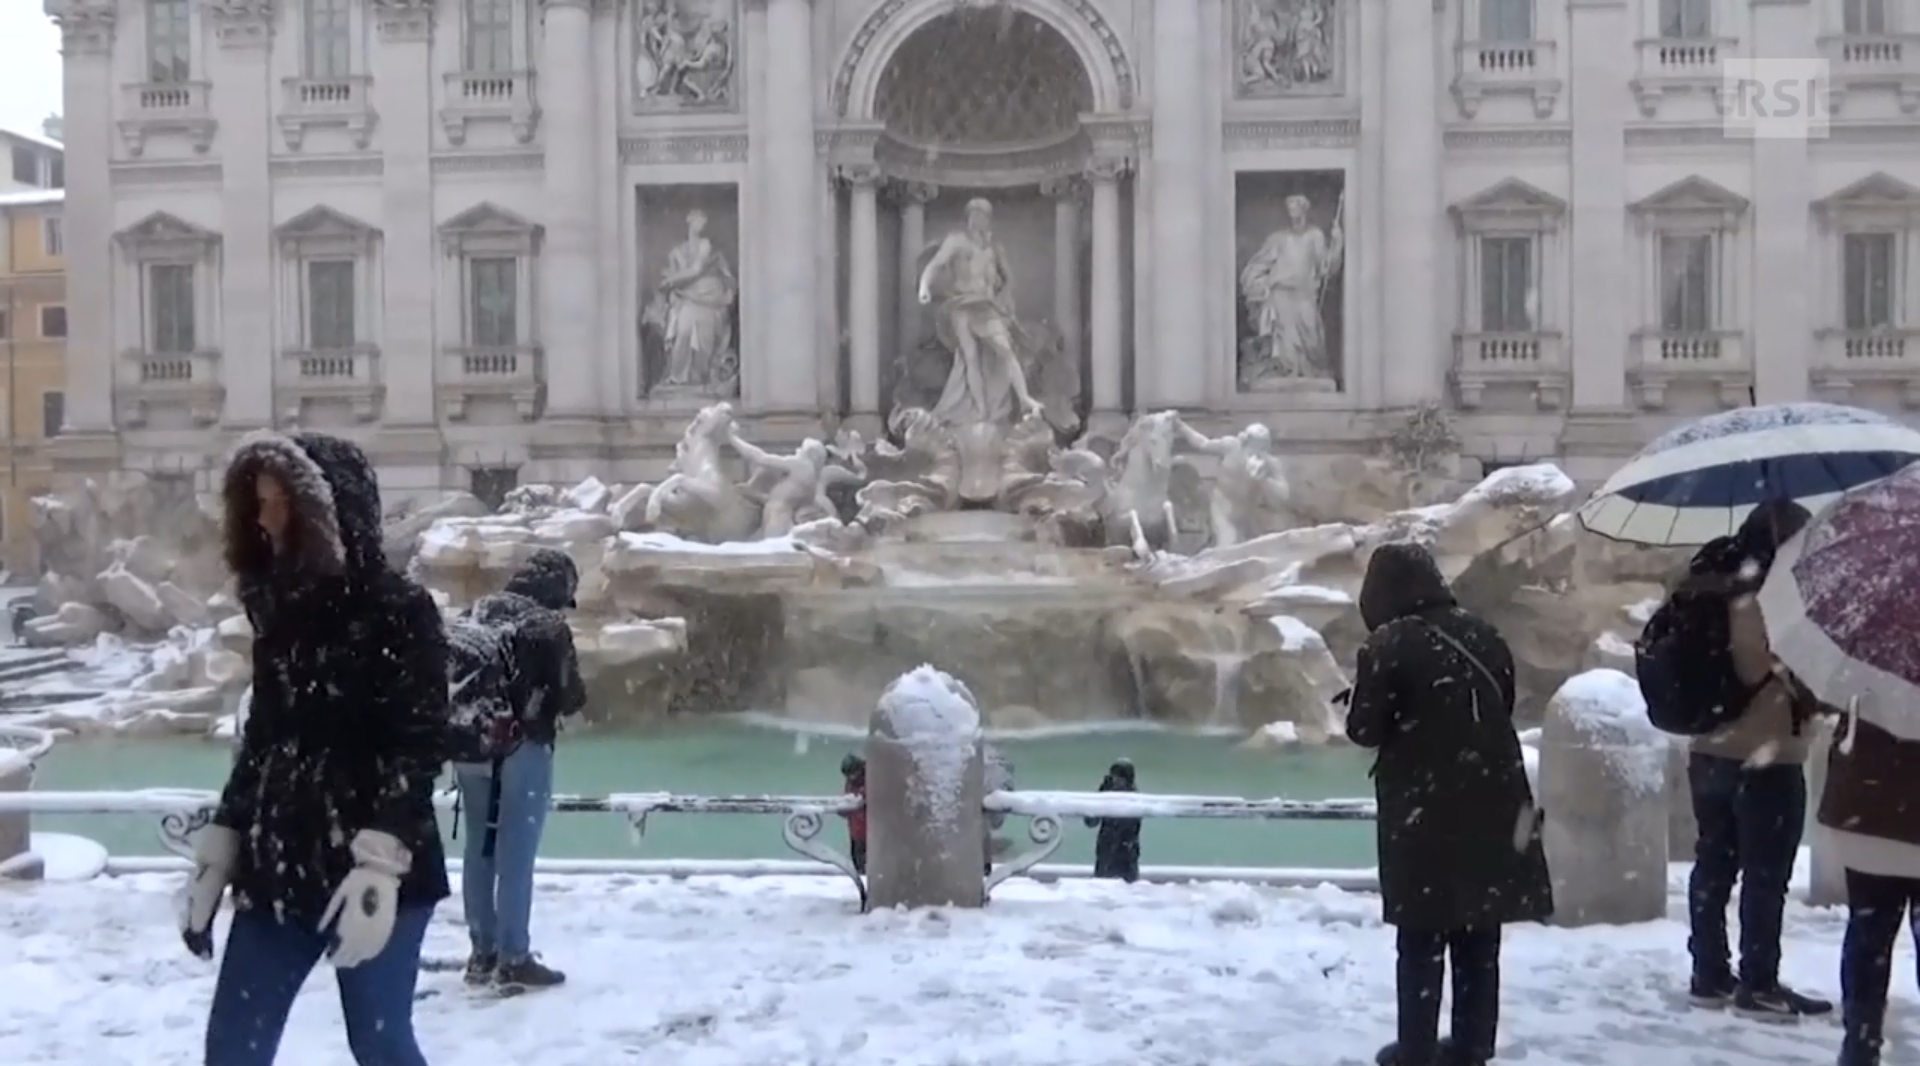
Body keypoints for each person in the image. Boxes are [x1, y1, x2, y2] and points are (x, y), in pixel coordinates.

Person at [180, 431, 449, 1066]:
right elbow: (265, 737)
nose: (263, 517)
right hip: (279, 864)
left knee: (381, 1042)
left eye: (278, 503)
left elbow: (418, 745)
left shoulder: (400, 611)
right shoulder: (278, 609)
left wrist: (381, 863)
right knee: (233, 1049)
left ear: (326, 512)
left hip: (379, 867)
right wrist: (222, 843)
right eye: (259, 502)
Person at [1345, 542, 1552, 1066]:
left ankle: (1414, 1048)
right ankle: (1471, 1045)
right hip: (1493, 795)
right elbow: (1500, 703)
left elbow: (1365, 730)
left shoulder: (1388, 644)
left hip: (1425, 804)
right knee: (1480, 931)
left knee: (1421, 932)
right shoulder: (1484, 633)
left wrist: (1364, 698)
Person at [1674, 500, 1831, 1019]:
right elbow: (1752, 666)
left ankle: (1710, 973)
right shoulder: (1760, 593)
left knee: (1714, 865)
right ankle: (1758, 982)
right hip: (1765, 754)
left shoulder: (1707, 581)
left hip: (1708, 750)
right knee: (1765, 874)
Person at [456, 548, 587, 992]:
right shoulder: (546, 626)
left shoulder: (473, 613)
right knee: (517, 854)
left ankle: (481, 952)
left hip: (471, 746)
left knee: (480, 847)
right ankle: (514, 957)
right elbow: (570, 698)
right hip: (522, 748)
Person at [1822, 698, 1920, 1066]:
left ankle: (1860, 1045)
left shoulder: (1871, 651)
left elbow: (1822, 700)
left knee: (1868, 932)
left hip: (1868, 811)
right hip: (1881, 813)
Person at [1084, 759, 1142, 882]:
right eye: (1114, 777)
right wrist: (1100, 796)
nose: (1116, 781)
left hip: (1126, 853)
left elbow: (1132, 828)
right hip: (1105, 850)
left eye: (1120, 778)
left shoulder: (1135, 799)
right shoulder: (1107, 795)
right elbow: (1090, 821)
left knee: (1127, 888)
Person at [840, 753, 868, 874]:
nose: (851, 778)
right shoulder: (852, 783)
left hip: (868, 830)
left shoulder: (872, 778)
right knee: (858, 862)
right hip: (857, 830)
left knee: (864, 863)